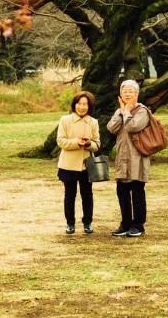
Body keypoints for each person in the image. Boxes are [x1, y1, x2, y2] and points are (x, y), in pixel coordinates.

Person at [107, 79, 150, 238]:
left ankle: (138, 224)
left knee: (137, 190)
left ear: (137, 94)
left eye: (130, 91)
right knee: (122, 191)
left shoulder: (142, 111)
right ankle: (125, 223)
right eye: (124, 91)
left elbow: (133, 127)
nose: (127, 93)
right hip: (122, 156)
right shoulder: (120, 110)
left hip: (137, 157)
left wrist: (126, 112)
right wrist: (121, 112)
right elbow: (111, 128)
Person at [56, 91, 100, 235]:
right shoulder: (65, 120)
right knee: (70, 194)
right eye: (79, 104)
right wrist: (77, 142)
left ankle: (87, 222)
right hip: (68, 164)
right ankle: (70, 223)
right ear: (74, 105)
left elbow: (97, 144)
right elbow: (61, 141)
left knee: (87, 195)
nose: (82, 107)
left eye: (85, 104)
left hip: (86, 165)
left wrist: (88, 144)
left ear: (90, 106)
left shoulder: (93, 122)